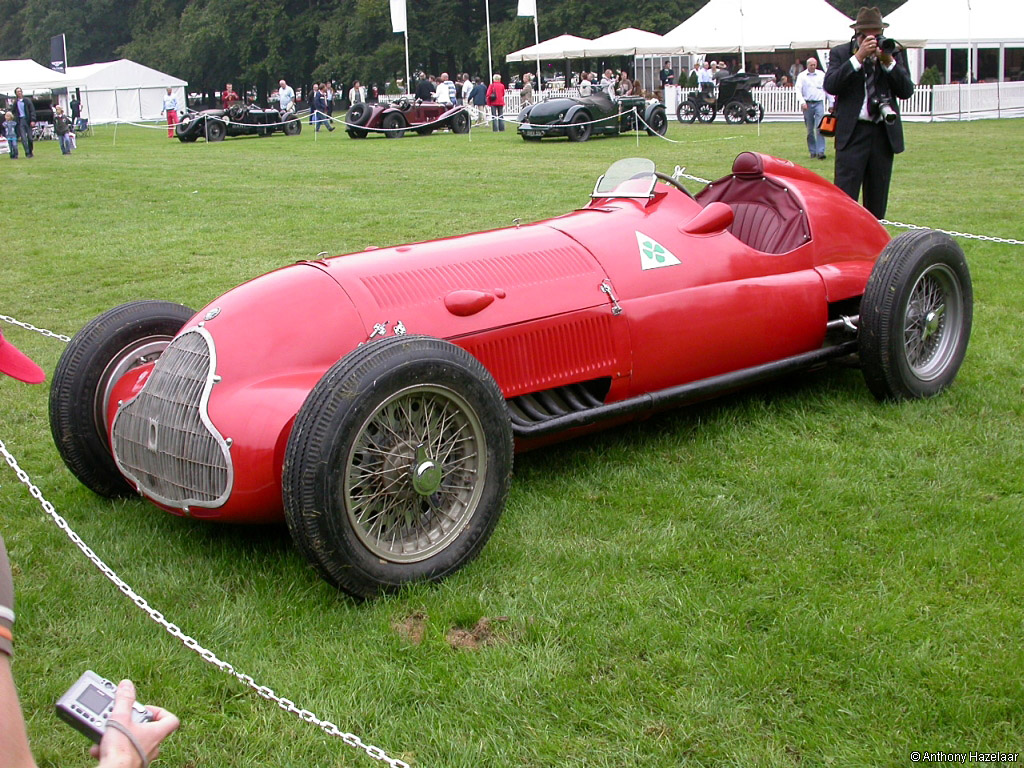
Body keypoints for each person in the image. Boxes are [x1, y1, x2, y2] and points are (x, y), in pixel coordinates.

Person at [824, 5, 914, 219]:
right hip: (853, 133)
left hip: (882, 134)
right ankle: (845, 243)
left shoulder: (894, 52)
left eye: (878, 34)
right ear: (858, 34)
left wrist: (889, 63)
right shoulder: (841, 53)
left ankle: (874, 247)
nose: (874, 39)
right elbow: (831, 85)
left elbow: (906, 90)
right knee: (845, 199)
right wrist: (858, 58)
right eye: (868, 35)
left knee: (877, 201)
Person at [796, 57, 829, 160]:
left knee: (820, 127)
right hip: (807, 104)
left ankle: (821, 151)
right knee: (810, 130)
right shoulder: (802, 76)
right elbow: (798, 90)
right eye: (811, 65)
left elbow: (827, 88)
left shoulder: (821, 75)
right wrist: (802, 102)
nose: (813, 67)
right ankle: (812, 151)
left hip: (819, 103)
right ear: (807, 65)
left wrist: (831, 103)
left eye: (814, 65)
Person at [11, 88, 35, 159]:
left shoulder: (27, 101)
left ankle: (30, 151)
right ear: (16, 93)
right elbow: (13, 111)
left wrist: (33, 120)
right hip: (20, 121)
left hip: (27, 120)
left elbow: (32, 110)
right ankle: (27, 153)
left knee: (30, 138)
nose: (19, 93)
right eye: (17, 92)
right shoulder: (15, 102)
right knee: (23, 138)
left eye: (20, 91)